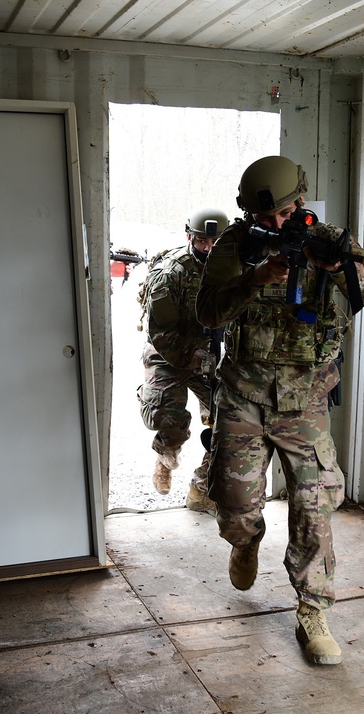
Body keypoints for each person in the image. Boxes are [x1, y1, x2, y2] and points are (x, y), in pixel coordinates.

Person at [196, 156, 364, 666]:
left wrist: (336, 266)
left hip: (305, 402)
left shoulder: (330, 239)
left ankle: (312, 609)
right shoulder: (236, 247)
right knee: (233, 501)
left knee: (314, 505)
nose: (277, 225)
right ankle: (244, 541)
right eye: (266, 218)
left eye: (284, 213)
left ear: (300, 202)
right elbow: (208, 312)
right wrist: (254, 278)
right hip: (244, 397)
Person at [137, 207, 229, 514]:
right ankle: (166, 453)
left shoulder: (234, 269)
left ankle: (202, 488)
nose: (209, 248)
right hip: (169, 353)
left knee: (229, 422)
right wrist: (194, 357)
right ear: (190, 237)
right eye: (202, 240)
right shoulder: (171, 273)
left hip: (210, 355)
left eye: (216, 241)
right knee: (167, 417)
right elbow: (160, 332)